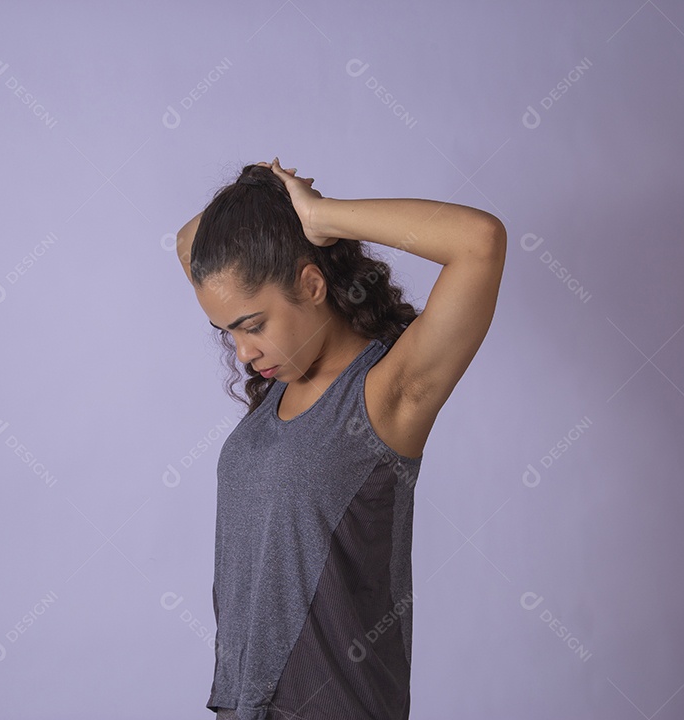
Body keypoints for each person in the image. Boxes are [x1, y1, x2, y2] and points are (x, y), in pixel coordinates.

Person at [175, 157, 506, 719]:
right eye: (228, 332)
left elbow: (480, 241)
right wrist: (265, 189)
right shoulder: (280, 386)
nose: (243, 354)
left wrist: (320, 216)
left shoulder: (384, 394)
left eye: (253, 326)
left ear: (310, 283)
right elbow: (189, 241)